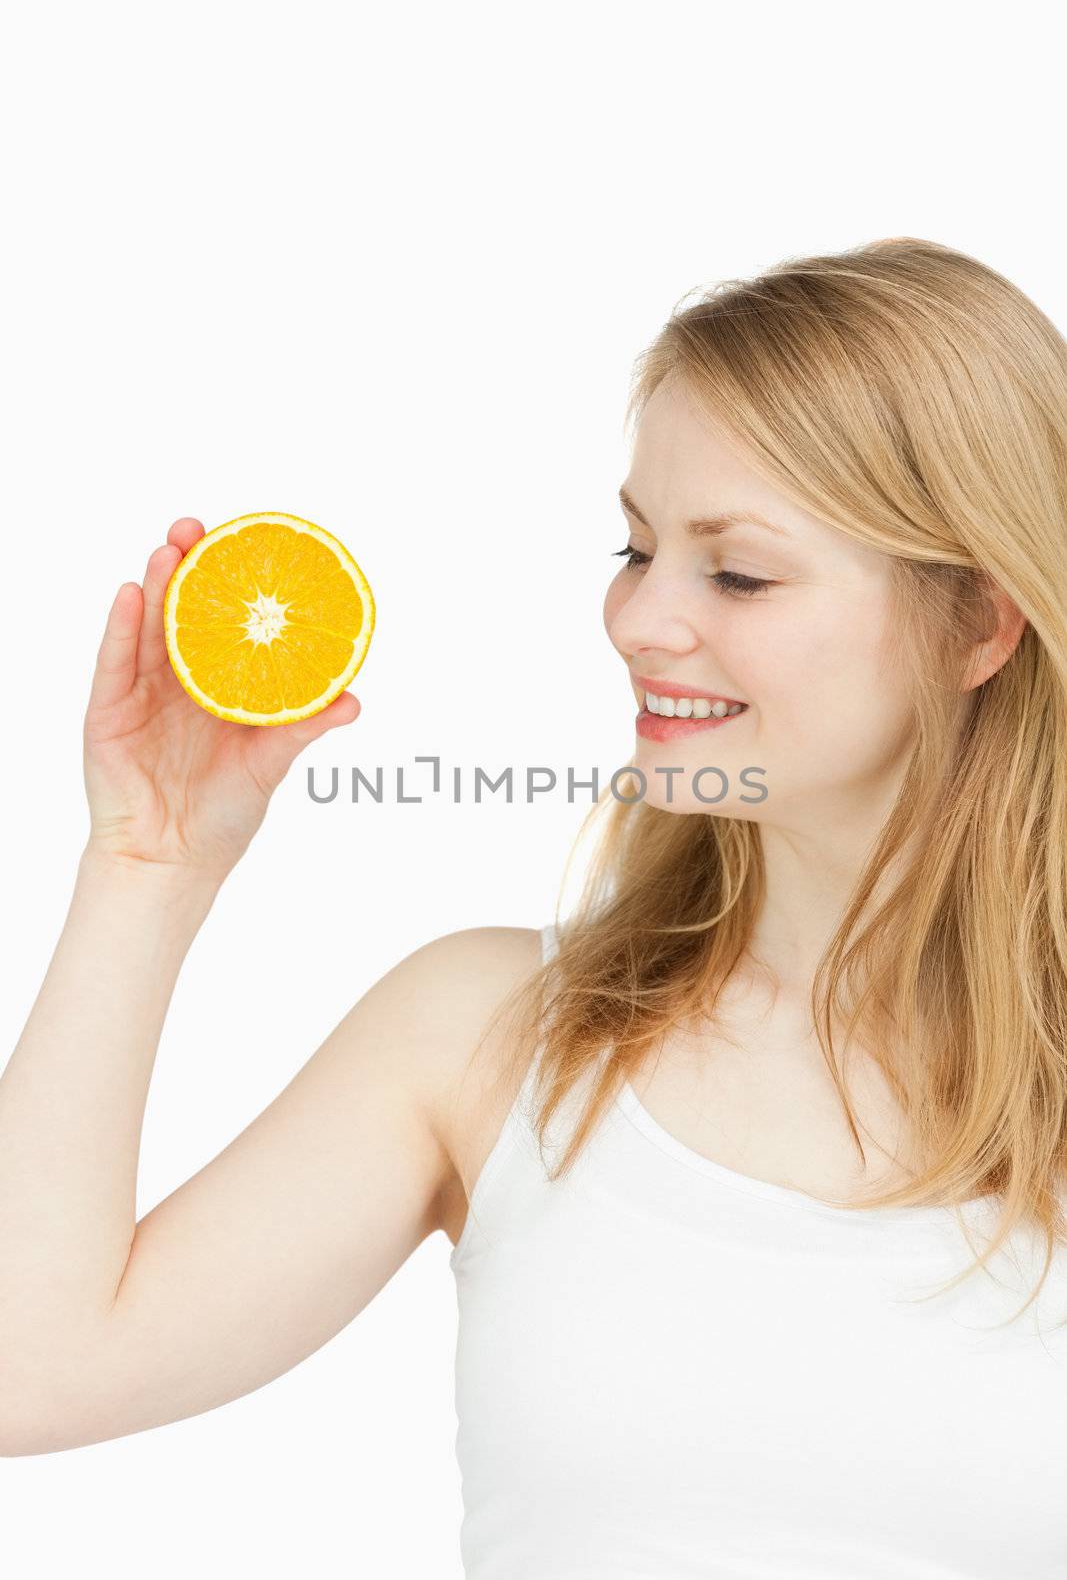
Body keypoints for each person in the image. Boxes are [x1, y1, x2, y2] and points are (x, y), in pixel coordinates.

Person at [3, 236, 1067, 1578]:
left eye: (736, 572)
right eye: (635, 548)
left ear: (979, 621)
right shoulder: (493, 1036)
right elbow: (28, 1372)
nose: (637, 619)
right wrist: (147, 866)